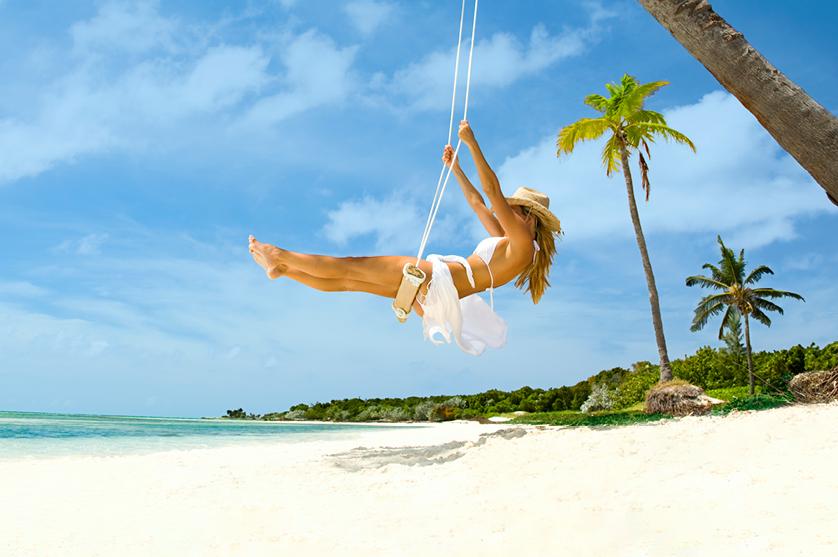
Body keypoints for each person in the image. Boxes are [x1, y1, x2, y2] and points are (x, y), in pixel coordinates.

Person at [249, 120, 561, 355]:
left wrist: (472, 143)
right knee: (348, 282)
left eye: (517, 208)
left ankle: (280, 256)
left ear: (530, 217)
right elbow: (478, 202)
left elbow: (492, 193)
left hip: (436, 279)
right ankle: (286, 270)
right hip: (436, 295)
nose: (510, 210)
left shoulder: (520, 238)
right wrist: (456, 168)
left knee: (351, 268)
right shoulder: (516, 248)